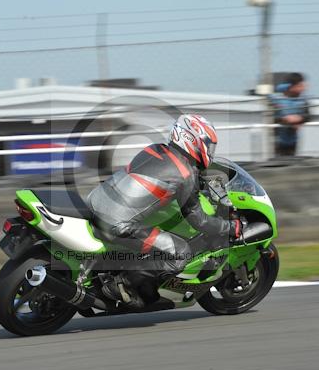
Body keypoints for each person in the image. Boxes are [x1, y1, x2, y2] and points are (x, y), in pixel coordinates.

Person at [87, 114, 242, 307]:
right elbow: (199, 221)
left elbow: (158, 179)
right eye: (208, 146)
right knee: (181, 252)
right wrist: (229, 227)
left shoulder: (156, 150)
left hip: (96, 202)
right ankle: (124, 285)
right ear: (193, 141)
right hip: (116, 224)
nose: (210, 152)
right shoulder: (185, 174)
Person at [269, 73, 311, 157]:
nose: (303, 88)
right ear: (291, 86)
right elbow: (273, 117)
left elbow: (308, 116)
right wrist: (285, 119)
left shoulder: (302, 100)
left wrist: (299, 119)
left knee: (292, 160)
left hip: (293, 140)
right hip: (279, 140)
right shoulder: (277, 99)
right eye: (300, 85)